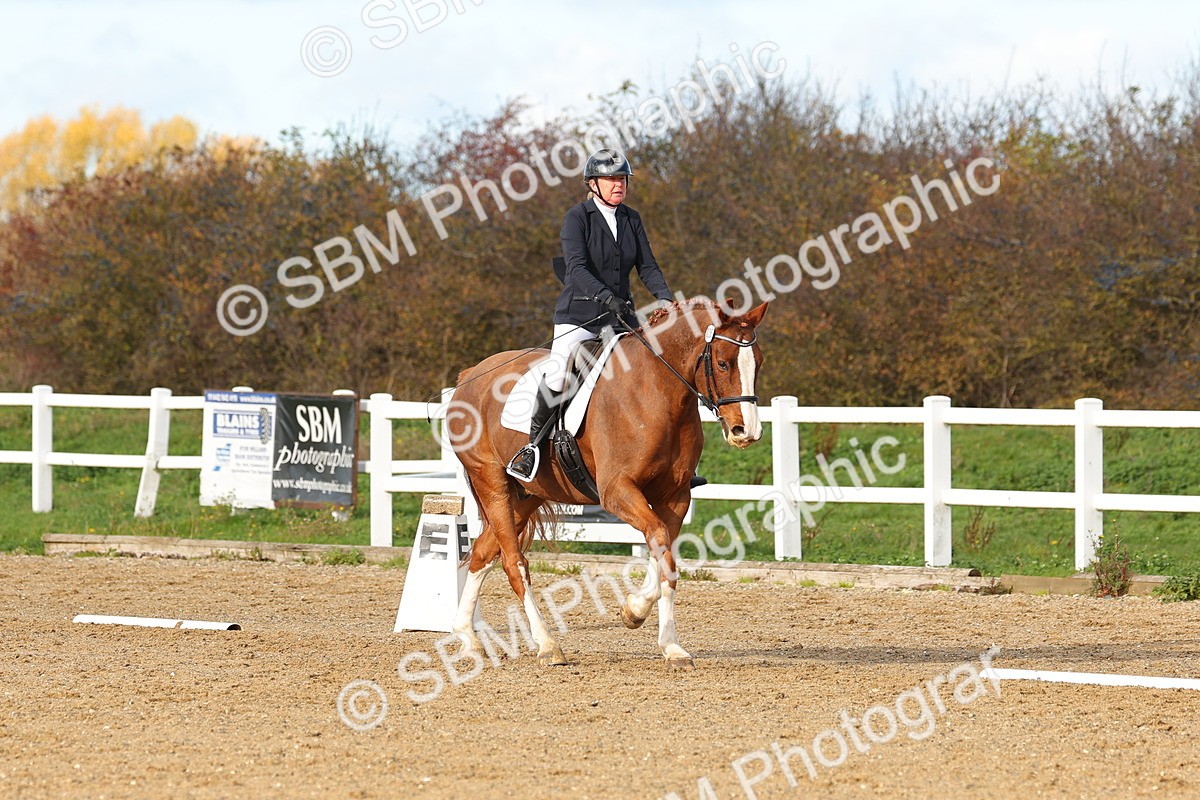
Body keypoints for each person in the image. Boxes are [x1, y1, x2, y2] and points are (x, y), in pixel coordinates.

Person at [506, 148, 674, 482]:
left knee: (660, 366)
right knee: (558, 375)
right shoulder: (577, 217)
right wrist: (604, 296)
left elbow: (648, 266)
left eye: (622, 179)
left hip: (620, 317)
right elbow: (577, 268)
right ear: (593, 184)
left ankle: (670, 458)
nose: (619, 185)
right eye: (612, 179)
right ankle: (532, 449)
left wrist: (665, 297)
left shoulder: (631, 219)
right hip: (578, 315)